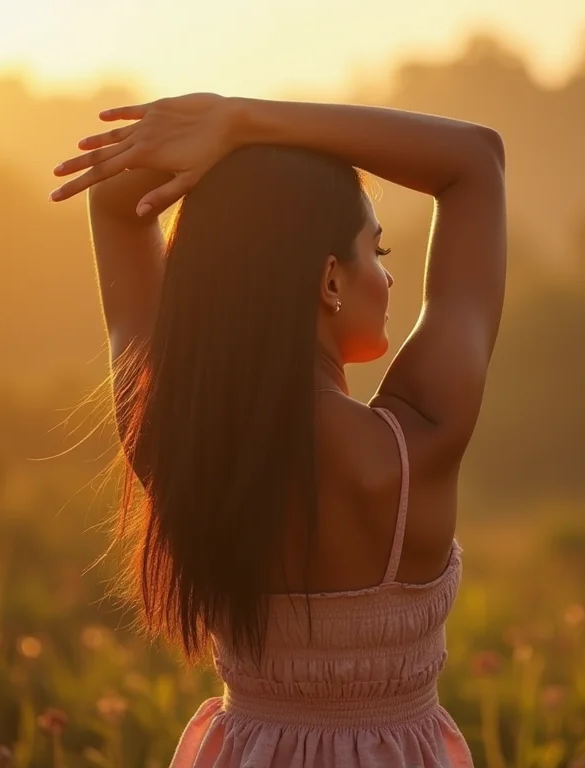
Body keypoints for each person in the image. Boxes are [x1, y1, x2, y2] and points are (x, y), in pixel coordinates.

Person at [50, 93, 506, 767]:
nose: (385, 274)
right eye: (374, 249)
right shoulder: (418, 443)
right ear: (329, 280)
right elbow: (474, 160)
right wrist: (240, 120)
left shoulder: (173, 443)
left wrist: (235, 159)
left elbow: (116, 203)